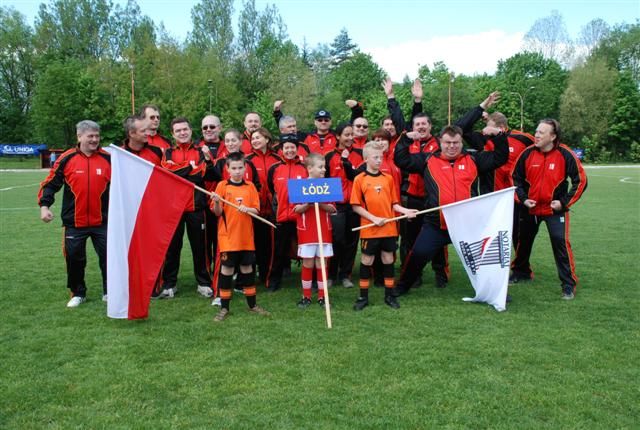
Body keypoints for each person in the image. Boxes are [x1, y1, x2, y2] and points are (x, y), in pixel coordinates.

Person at [393, 125, 509, 295]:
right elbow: (401, 160)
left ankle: (494, 291)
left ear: (461, 143)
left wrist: (498, 136)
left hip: (468, 225)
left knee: (484, 258)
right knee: (418, 254)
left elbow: (500, 157)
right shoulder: (427, 160)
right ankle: (402, 287)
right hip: (436, 224)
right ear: (440, 142)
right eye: (448, 142)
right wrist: (406, 139)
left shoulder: (474, 159)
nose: (452, 146)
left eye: (456, 142)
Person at [511, 119, 587, 300]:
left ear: (553, 136)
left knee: (560, 242)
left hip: (555, 210)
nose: (536, 135)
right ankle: (521, 272)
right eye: (536, 131)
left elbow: (581, 181)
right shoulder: (527, 153)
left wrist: (564, 203)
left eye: (541, 133)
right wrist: (523, 199)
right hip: (530, 208)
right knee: (522, 241)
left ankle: (568, 285)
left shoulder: (565, 154)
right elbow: (514, 178)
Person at [38, 120, 111, 307]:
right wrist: (44, 206)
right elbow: (50, 184)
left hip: (103, 221)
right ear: (79, 137)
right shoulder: (67, 158)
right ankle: (78, 293)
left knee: (109, 258)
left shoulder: (109, 158)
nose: (94, 140)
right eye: (90, 136)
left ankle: (109, 291)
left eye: (97, 136)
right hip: (74, 223)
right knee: (74, 259)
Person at [455, 91, 534, 246]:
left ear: (502, 128)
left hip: (516, 197)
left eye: (489, 128)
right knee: (491, 239)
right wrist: (480, 111)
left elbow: (542, 147)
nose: (485, 131)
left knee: (518, 237)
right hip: (490, 198)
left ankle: (520, 263)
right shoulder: (484, 139)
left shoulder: (522, 139)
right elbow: (460, 128)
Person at [350, 143, 417, 310]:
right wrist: (373, 218)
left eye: (381, 157)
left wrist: (406, 211)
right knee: (367, 260)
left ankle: (389, 295)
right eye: (376, 157)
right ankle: (363, 297)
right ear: (366, 159)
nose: (380, 160)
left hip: (388, 228)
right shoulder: (359, 179)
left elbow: (394, 203)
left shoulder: (388, 178)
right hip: (369, 228)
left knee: (388, 259)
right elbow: (356, 206)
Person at [157, 117, 215, 299]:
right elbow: (168, 171)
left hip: (196, 206)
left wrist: (181, 169)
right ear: (173, 134)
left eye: (185, 129)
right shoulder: (167, 152)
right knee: (172, 248)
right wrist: (190, 167)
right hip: (174, 208)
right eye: (178, 130)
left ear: (190, 131)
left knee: (200, 248)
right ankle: (169, 284)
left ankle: (203, 283)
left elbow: (202, 173)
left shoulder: (200, 151)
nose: (182, 133)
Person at [211, 152, 271, 321]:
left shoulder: (250, 186)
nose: (237, 171)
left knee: (247, 269)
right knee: (227, 270)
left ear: (245, 168)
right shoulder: (222, 186)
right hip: (228, 238)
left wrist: (247, 208)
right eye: (234, 168)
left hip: (246, 238)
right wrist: (217, 201)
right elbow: (217, 212)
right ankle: (224, 308)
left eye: (240, 168)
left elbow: (256, 210)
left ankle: (252, 305)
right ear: (227, 169)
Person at [294, 153, 336, 308]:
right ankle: (306, 296)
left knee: (321, 263)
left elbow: (332, 208)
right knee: (308, 262)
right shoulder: (300, 186)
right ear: (310, 168)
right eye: (321, 167)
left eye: (324, 166)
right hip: (307, 231)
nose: (324, 169)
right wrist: (308, 203)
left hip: (324, 230)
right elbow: (296, 209)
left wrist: (320, 202)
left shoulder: (327, 186)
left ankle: (322, 296)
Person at [266, 137, 308, 292]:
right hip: (281, 217)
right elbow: (272, 189)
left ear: (297, 149)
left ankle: (309, 280)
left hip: (300, 216)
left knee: (306, 249)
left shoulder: (305, 167)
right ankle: (274, 281)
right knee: (278, 251)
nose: (290, 150)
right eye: (286, 148)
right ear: (281, 150)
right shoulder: (275, 168)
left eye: (292, 147)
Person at [325, 122, 363, 288]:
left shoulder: (360, 154)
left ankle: (346, 275)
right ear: (338, 136)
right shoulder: (329, 156)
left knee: (352, 241)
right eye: (346, 135)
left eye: (351, 134)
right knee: (336, 240)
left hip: (354, 204)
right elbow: (324, 180)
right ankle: (331, 274)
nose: (350, 138)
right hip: (336, 205)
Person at [246, 128, 282, 285]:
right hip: (255, 209)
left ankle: (268, 276)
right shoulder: (248, 160)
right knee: (256, 244)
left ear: (267, 139)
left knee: (271, 245)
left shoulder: (277, 159)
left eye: (258, 137)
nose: (254, 141)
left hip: (273, 209)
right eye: (252, 139)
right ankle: (252, 275)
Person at [273, 100, 337, 155]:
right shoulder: (307, 136)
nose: (323, 122)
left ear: (330, 122)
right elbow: (285, 127)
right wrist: (277, 113)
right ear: (315, 122)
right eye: (320, 120)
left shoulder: (337, 136)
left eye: (326, 120)